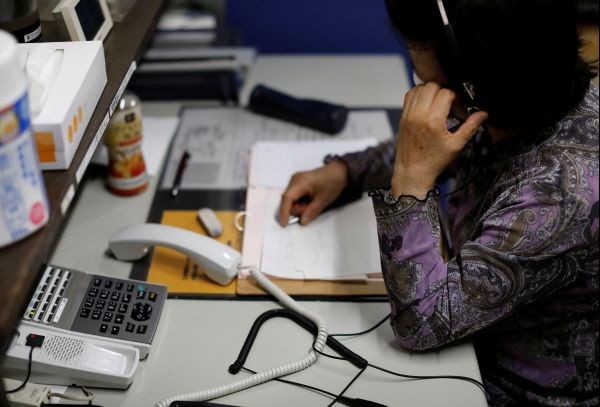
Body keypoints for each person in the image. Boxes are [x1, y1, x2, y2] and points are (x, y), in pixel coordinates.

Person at [278, 0, 598, 405]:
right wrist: (347, 171)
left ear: (477, 90)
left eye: (433, 86)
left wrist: (411, 180)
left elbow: (421, 323)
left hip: (507, 387)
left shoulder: (561, 194)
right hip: (471, 344)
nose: (421, 95)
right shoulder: (519, 101)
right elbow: (439, 142)